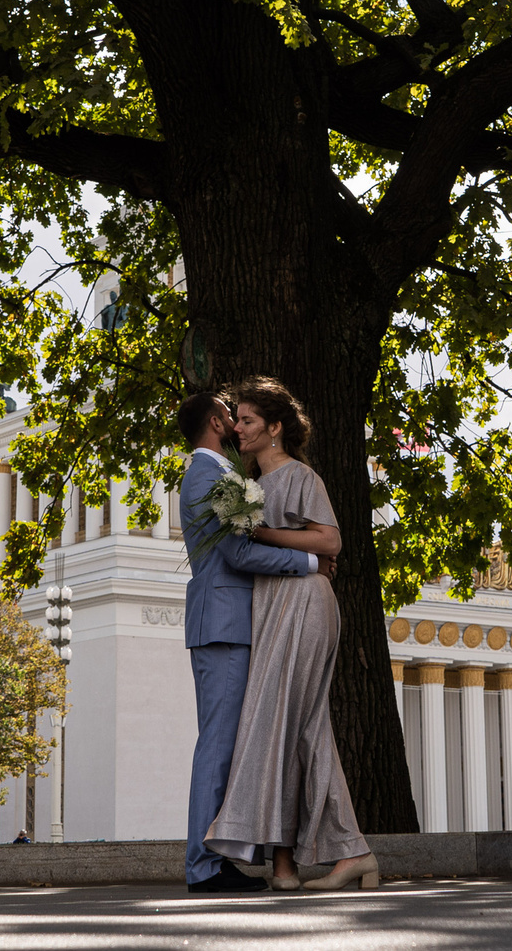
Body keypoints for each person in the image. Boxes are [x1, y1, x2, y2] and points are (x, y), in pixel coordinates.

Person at [203, 378, 380, 893]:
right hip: (272, 606)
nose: (238, 427)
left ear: (275, 428)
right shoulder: (244, 486)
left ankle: (351, 852)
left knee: (297, 724)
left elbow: (330, 540)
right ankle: (286, 864)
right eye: (236, 419)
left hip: (305, 603)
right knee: (286, 727)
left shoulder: (300, 476)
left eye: (248, 420)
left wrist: (257, 530)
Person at [177, 384, 324, 894]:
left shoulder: (214, 474)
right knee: (217, 747)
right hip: (224, 625)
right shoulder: (210, 475)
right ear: (217, 424)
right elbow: (238, 555)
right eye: (230, 417)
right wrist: (308, 562)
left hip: (226, 622)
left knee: (226, 745)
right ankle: (204, 866)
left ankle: (218, 855)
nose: (238, 425)